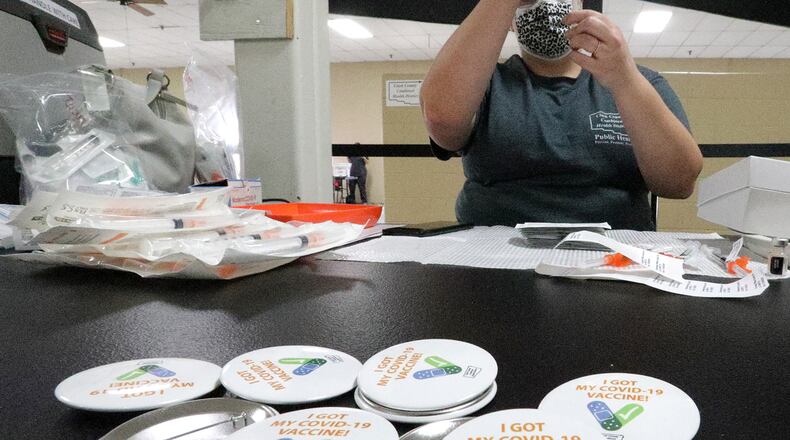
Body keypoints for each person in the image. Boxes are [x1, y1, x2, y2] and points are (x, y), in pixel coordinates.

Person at [420, 0, 703, 230]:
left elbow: (679, 182)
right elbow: (442, 121)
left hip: (614, 261)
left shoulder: (641, 83)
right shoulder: (485, 84)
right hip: (494, 261)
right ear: (508, 20)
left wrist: (624, 78)